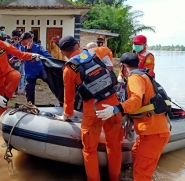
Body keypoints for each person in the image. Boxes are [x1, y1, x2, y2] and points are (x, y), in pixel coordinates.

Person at [54, 36, 123, 181]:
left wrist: (66, 115)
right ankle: (115, 178)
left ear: (63, 52)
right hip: (113, 105)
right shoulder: (94, 52)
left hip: (93, 111)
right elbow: (107, 50)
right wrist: (108, 65)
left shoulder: (69, 69)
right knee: (114, 146)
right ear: (78, 44)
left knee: (89, 150)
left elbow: (69, 96)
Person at [96, 52, 170, 181]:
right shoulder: (144, 75)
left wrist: (116, 109)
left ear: (123, 66)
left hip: (153, 132)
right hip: (149, 131)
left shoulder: (135, 78)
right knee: (135, 152)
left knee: (142, 173)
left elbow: (136, 100)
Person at [0, 31, 40, 115]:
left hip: (8, 74)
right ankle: (4, 115)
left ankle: (7, 97)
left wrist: (30, 56)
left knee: (16, 75)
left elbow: (18, 53)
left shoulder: (2, 44)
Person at [19, 32, 53, 105]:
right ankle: (31, 105)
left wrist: (55, 63)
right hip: (29, 72)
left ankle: (61, 99)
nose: (23, 46)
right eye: (22, 44)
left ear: (31, 40)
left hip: (40, 70)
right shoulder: (21, 48)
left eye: (25, 44)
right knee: (29, 89)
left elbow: (49, 57)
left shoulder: (39, 48)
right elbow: (20, 55)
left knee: (51, 81)